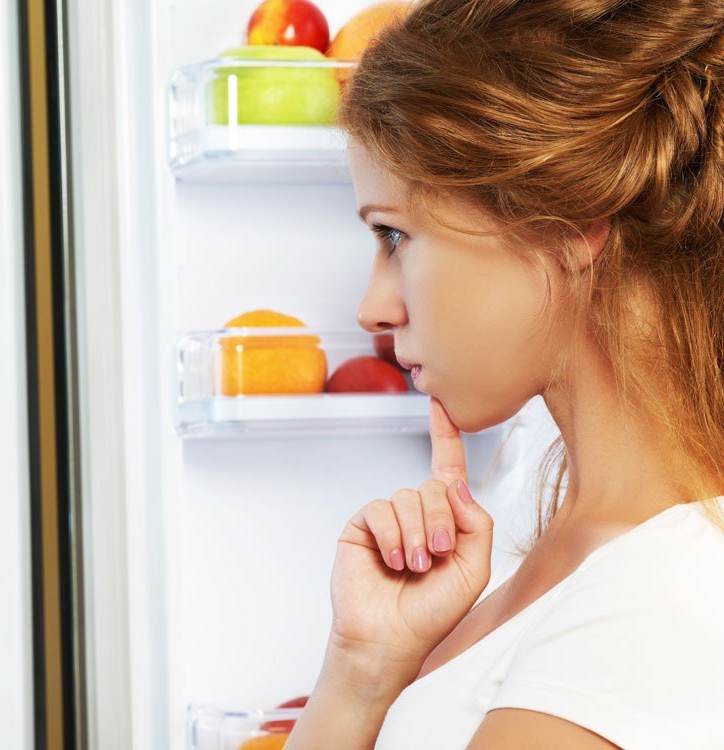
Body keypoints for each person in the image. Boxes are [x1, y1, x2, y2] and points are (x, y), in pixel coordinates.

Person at [286, 0, 724, 748]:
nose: (372, 308)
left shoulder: (665, 595)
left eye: (395, 234)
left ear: (565, 223)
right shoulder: (529, 511)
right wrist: (362, 670)